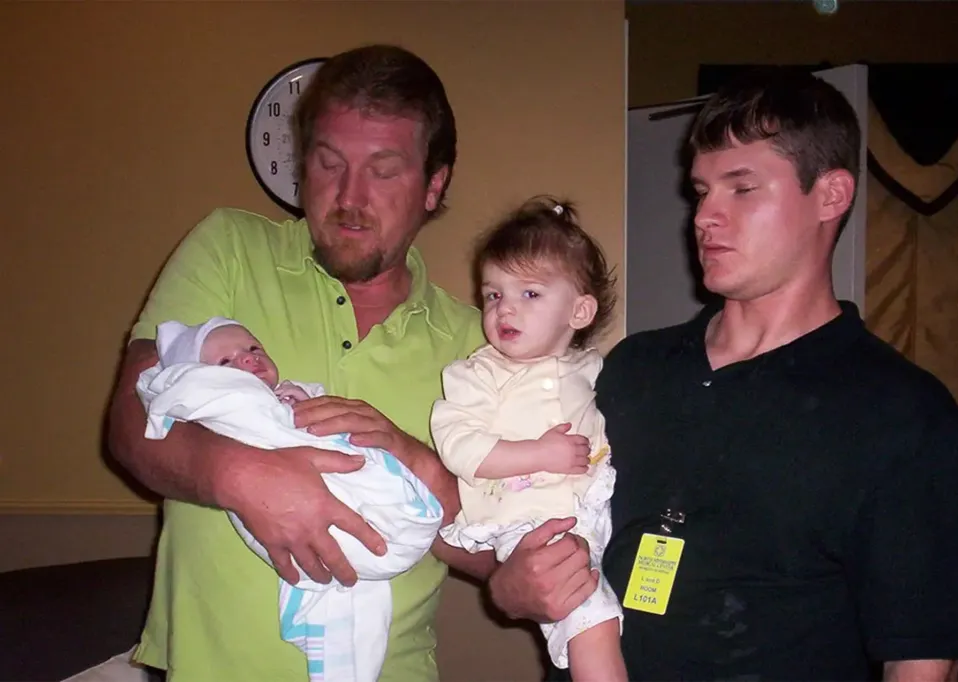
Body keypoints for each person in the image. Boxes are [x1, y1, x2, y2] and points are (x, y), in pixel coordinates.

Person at [488, 67, 958, 681]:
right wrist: (511, 588)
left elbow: (923, 657)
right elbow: (525, 519)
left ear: (832, 195)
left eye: (741, 188)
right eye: (701, 190)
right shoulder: (626, 368)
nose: (705, 216)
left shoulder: (902, 415)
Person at [106, 44, 493, 682]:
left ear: (434, 184)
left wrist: (420, 463)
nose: (349, 197)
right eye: (329, 162)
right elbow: (130, 421)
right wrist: (241, 474)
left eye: (384, 170)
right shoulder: (229, 248)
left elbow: (492, 560)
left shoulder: (478, 345)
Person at [136, 315, 443, 682]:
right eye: (225, 362)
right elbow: (204, 411)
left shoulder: (283, 393)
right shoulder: (220, 403)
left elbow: (310, 419)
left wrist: (298, 402)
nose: (247, 359)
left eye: (252, 348)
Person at [430, 197, 626, 682]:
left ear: (579, 311)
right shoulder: (477, 375)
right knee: (590, 615)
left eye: (530, 294)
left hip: (597, 506)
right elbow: (459, 446)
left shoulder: (594, 368)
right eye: (493, 294)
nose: (505, 308)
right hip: (530, 519)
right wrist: (537, 453)